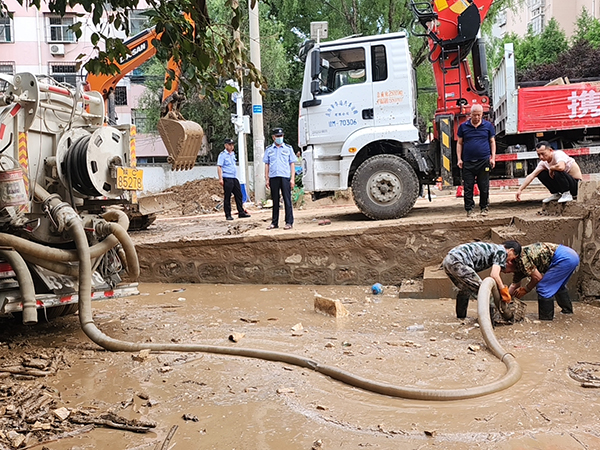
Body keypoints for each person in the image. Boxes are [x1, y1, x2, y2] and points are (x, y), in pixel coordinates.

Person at [442, 240, 521, 319]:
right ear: (511, 250)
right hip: (458, 262)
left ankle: (461, 318)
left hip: (448, 261)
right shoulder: (502, 252)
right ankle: (489, 323)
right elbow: (494, 274)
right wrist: (503, 290)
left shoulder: (493, 248)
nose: (509, 261)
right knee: (485, 293)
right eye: (513, 258)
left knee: (465, 289)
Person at [507, 242, 579, 321]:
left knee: (543, 287)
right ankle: (567, 313)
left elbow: (538, 278)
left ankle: (546, 321)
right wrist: (505, 300)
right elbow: (514, 285)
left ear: (509, 263)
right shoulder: (518, 265)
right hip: (570, 255)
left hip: (564, 258)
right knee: (557, 286)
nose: (504, 272)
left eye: (503, 269)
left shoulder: (522, 259)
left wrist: (526, 289)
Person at [457, 104, 496, 217]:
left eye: (479, 115)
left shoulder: (488, 126)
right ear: (470, 114)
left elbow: (492, 142)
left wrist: (493, 157)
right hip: (468, 162)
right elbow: (459, 143)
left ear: (482, 114)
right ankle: (469, 210)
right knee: (468, 187)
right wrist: (459, 159)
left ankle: (484, 208)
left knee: (484, 186)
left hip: (483, 161)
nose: (477, 117)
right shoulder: (463, 127)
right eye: (475, 115)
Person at [515, 141, 582, 204]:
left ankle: (567, 194)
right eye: (539, 155)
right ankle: (556, 194)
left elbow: (561, 167)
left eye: (543, 154)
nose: (541, 157)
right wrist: (520, 190)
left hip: (576, 185)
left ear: (550, 150)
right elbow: (532, 175)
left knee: (557, 170)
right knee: (541, 173)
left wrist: (551, 168)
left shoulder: (558, 154)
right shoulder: (543, 163)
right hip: (563, 183)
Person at [264, 127, 296, 230]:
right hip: (273, 177)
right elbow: (267, 164)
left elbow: (292, 164)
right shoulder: (269, 150)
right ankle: (274, 222)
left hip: (285, 176)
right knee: (275, 200)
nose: (279, 138)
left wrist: (292, 179)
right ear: (273, 137)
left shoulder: (288, 148)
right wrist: (267, 179)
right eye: (277, 136)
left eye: (281, 136)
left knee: (287, 200)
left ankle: (289, 222)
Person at [217, 138, 250, 221]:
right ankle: (228, 214)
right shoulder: (222, 155)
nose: (231, 146)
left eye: (232, 145)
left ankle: (241, 212)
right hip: (227, 177)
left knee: (239, 195)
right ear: (226, 145)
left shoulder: (233, 154)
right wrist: (220, 178)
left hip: (234, 177)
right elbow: (219, 167)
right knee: (227, 197)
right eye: (230, 145)